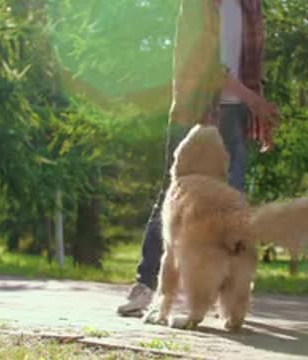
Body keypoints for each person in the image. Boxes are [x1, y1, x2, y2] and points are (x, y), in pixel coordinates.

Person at [117, 0, 279, 317]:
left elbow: (252, 71)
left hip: (236, 116)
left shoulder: (251, 7)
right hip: (195, 109)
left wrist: (260, 119)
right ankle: (146, 287)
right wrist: (254, 101)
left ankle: (227, 298)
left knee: (233, 210)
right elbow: (204, 64)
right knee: (176, 200)